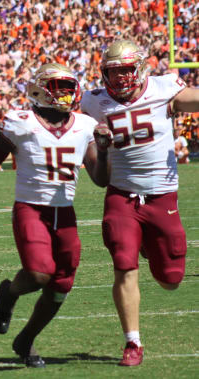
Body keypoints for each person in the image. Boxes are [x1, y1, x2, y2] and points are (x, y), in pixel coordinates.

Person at [0, 63, 110, 368]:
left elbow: (100, 179)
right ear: (39, 90)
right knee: (38, 274)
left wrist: (103, 152)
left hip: (65, 213)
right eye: (58, 87)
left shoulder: (85, 125)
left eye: (68, 87)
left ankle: (26, 339)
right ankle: (9, 293)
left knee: (62, 285)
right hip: (31, 209)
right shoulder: (22, 123)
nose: (65, 94)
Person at [80, 39, 199, 366]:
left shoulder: (164, 88)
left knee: (170, 280)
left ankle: (149, 246)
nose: (119, 78)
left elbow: (194, 99)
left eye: (126, 70)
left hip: (162, 197)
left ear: (140, 68)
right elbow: (63, 124)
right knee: (123, 265)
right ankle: (133, 342)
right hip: (121, 196)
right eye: (113, 71)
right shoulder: (92, 102)